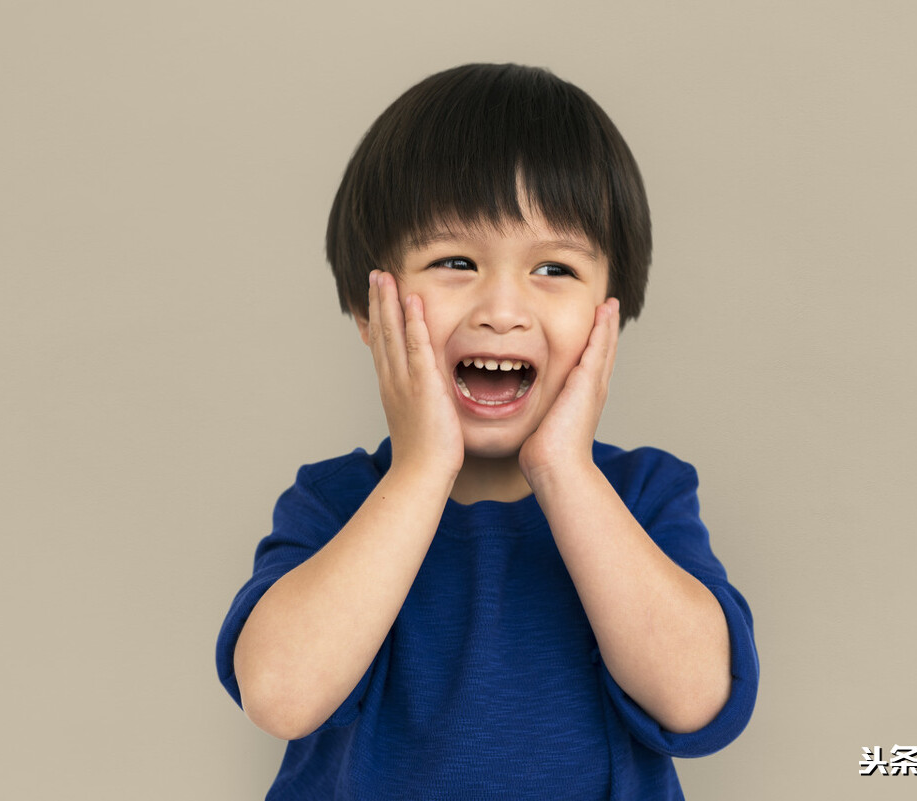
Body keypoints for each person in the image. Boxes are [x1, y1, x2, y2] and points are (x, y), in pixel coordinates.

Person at [216, 63, 758, 800]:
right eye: (456, 261)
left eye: (555, 269)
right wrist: (420, 469)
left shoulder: (642, 495)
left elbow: (696, 699)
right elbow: (279, 693)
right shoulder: (337, 501)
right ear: (369, 310)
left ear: (611, 315)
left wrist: (564, 469)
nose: (503, 308)